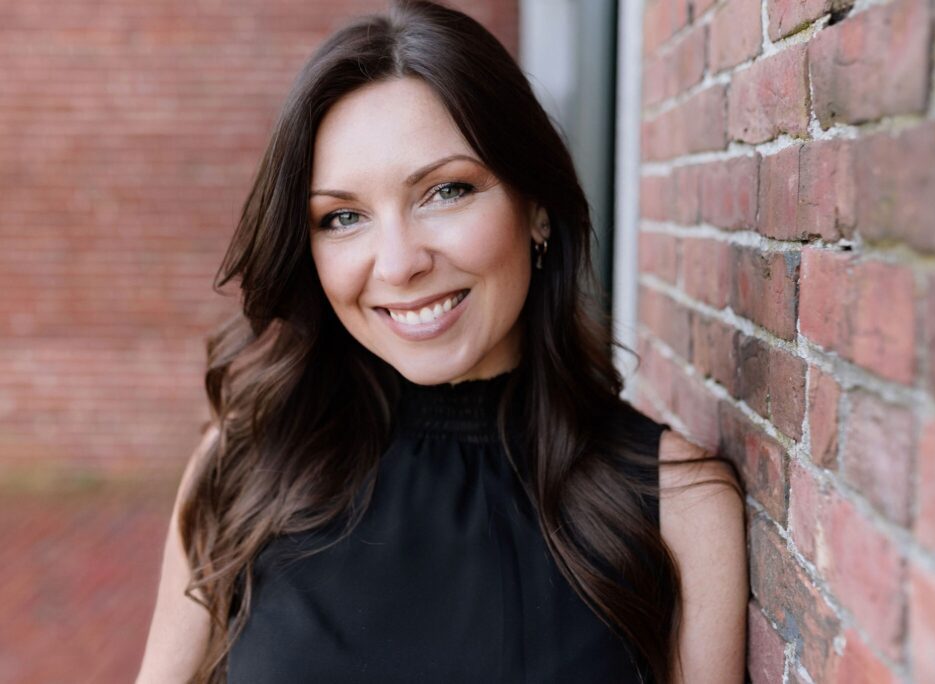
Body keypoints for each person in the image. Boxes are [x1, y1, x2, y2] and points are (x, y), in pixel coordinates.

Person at [136, 1, 747, 682]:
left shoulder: (679, 507)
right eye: (343, 217)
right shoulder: (244, 464)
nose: (397, 264)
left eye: (446, 191)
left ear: (536, 207)